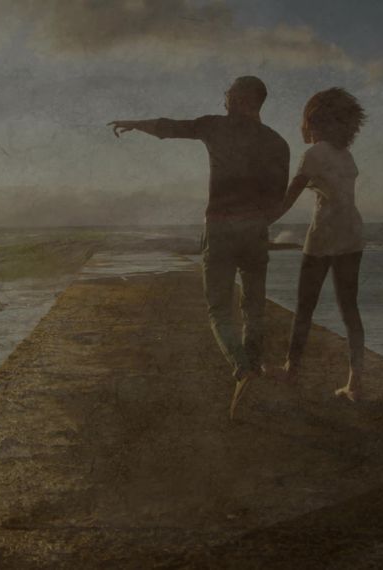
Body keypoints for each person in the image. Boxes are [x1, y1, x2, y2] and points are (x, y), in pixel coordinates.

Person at [108, 76, 291, 420]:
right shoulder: (278, 143)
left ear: (239, 99)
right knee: (254, 308)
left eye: (228, 94)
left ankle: (242, 368)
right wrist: (257, 222)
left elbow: (170, 128)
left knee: (219, 310)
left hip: (220, 228)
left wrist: (134, 123)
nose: (224, 99)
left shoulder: (215, 126)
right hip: (255, 230)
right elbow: (277, 197)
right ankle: (252, 368)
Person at [275, 87, 367, 402]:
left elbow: (290, 196)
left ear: (314, 122)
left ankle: (291, 370)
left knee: (305, 305)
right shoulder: (346, 155)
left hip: (325, 234)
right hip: (352, 233)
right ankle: (355, 384)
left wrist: (262, 221)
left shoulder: (314, 153)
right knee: (349, 308)